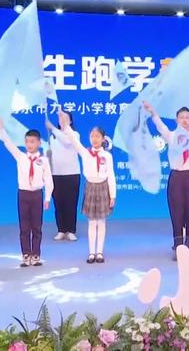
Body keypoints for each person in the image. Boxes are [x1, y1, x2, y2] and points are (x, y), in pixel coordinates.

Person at [143, 102, 189, 260]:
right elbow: (160, 126)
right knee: (177, 213)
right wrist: (153, 112)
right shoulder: (172, 137)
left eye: (187, 117)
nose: (184, 120)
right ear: (177, 120)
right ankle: (178, 247)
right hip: (176, 177)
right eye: (181, 117)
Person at [57, 110, 116, 264]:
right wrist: (65, 123)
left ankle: (99, 252)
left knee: (101, 221)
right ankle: (91, 252)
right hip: (90, 187)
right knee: (91, 222)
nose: (94, 139)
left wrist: (113, 195)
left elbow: (111, 175)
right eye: (92, 136)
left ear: (103, 139)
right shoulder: (85, 153)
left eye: (97, 136)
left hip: (103, 188)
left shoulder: (107, 156)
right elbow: (73, 138)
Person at [0, 117, 54, 267]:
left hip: (37, 195)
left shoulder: (44, 160)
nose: (29, 145)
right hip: (23, 195)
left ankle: (36, 254)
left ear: (39, 143)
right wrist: (1, 127)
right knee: (24, 227)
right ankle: (26, 254)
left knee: (37, 227)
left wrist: (47, 197)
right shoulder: (20, 156)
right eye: (27, 142)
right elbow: (8, 143)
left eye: (32, 142)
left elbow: (48, 179)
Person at [45, 113, 81, 242]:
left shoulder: (75, 135)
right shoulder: (53, 137)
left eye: (65, 118)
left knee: (71, 204)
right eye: (60, 118)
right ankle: (61, 230)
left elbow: (67, 141)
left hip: (72, 174)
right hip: (56, 174)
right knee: (58, 204)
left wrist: (52, 128)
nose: (62, 120)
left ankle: (71, 231)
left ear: (70, 121)